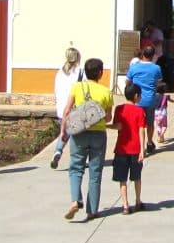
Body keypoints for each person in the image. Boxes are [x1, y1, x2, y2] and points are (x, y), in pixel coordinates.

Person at [60, 58, 114, 221]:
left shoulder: (77, 87)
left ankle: (76, 200)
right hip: (98, 134)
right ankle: (92, 210)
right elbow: (109, 117)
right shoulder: (106, 92)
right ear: (100, 73)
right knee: (95, 171)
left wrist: (63, 131)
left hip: (78, 133)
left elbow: (67, 111)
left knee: (76, 167)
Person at [110, 82, 148, 214]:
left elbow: (118, 126)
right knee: (137, 177)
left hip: (121, 149)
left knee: (122, 179)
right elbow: (141, 131)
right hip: (135, 149)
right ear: (136, 96)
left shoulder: (119, 109)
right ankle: (138, 201)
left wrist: (105, 126)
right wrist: (142, 150)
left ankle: (125, 205)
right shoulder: (140, 111)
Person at [126, 45, 163, 153]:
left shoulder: (134, 67)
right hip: (150, 99)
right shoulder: (156, 68)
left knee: (137, 123)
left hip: (137, 99)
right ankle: (149, 142)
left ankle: (137, 143)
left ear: (142, 54)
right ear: (153, 56)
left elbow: (127, 81)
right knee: (150, 122)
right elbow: (159, 81)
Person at [51, 48, 84, 169]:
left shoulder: (60, 72)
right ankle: (77, 159)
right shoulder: (80, 72)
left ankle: (58, 151)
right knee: (78, 136)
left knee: (64, 132)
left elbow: (56, 90)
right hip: (74, 107)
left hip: (61, 109)